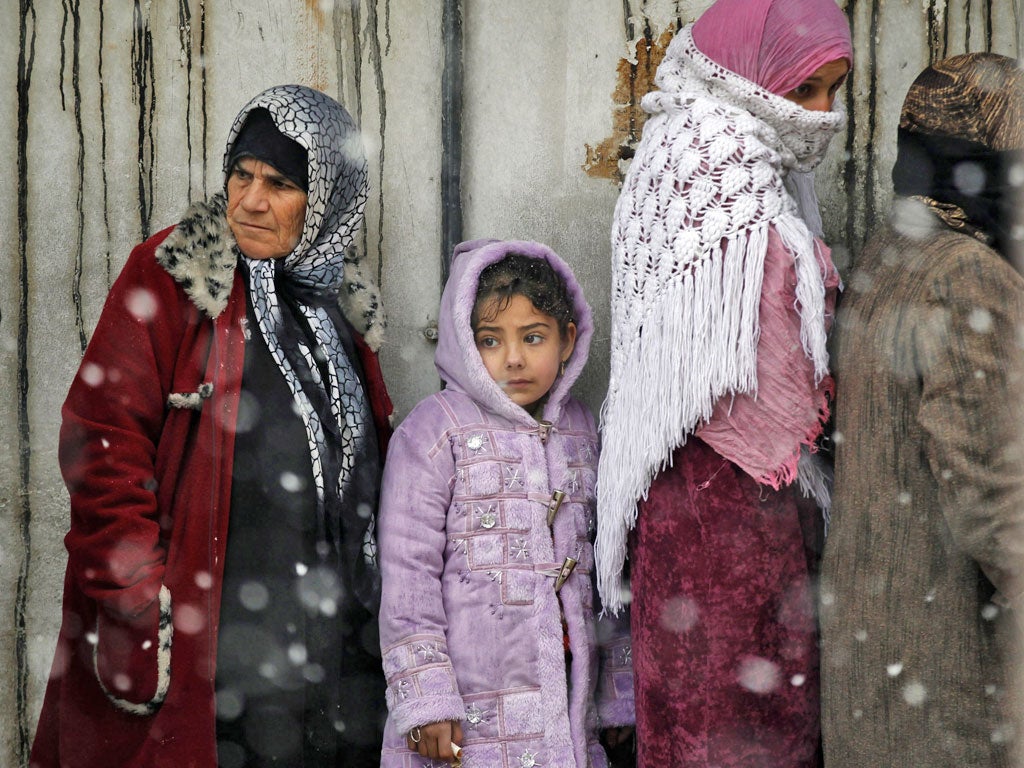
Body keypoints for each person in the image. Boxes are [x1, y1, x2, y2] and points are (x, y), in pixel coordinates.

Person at [30, 85, 393, 767]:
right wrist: (143, 599)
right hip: (211, 645)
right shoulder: (177, 274)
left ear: (326, 200)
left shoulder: (339, 307)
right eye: (243, 175)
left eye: (280, 183)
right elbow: (100, 439)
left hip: (332, 655)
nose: (251, 200)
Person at [595, 0, 852, 765]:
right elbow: (755, 334)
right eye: (807, 90)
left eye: (835, 90)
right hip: (712, 501)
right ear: (749, 73)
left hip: (746, 505)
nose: (824, 115)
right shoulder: (715, 156)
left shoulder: (748, 154)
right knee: (723, 726)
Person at [819, 53, 1024, 767]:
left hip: (876, 660)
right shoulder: (972, 277)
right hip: (952, 674)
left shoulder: (889, 253)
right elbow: (995, 498)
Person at [377, 241, 635, 767]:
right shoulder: (435, 429)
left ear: (568, 340)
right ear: (464, 345)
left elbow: (610, 573)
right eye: (490, 341)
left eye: (533, 337)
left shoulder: (584, 431)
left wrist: (618, 697)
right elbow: (408, 574)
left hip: (567, 705)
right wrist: (426, 699)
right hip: (461, 715)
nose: (513, 359)